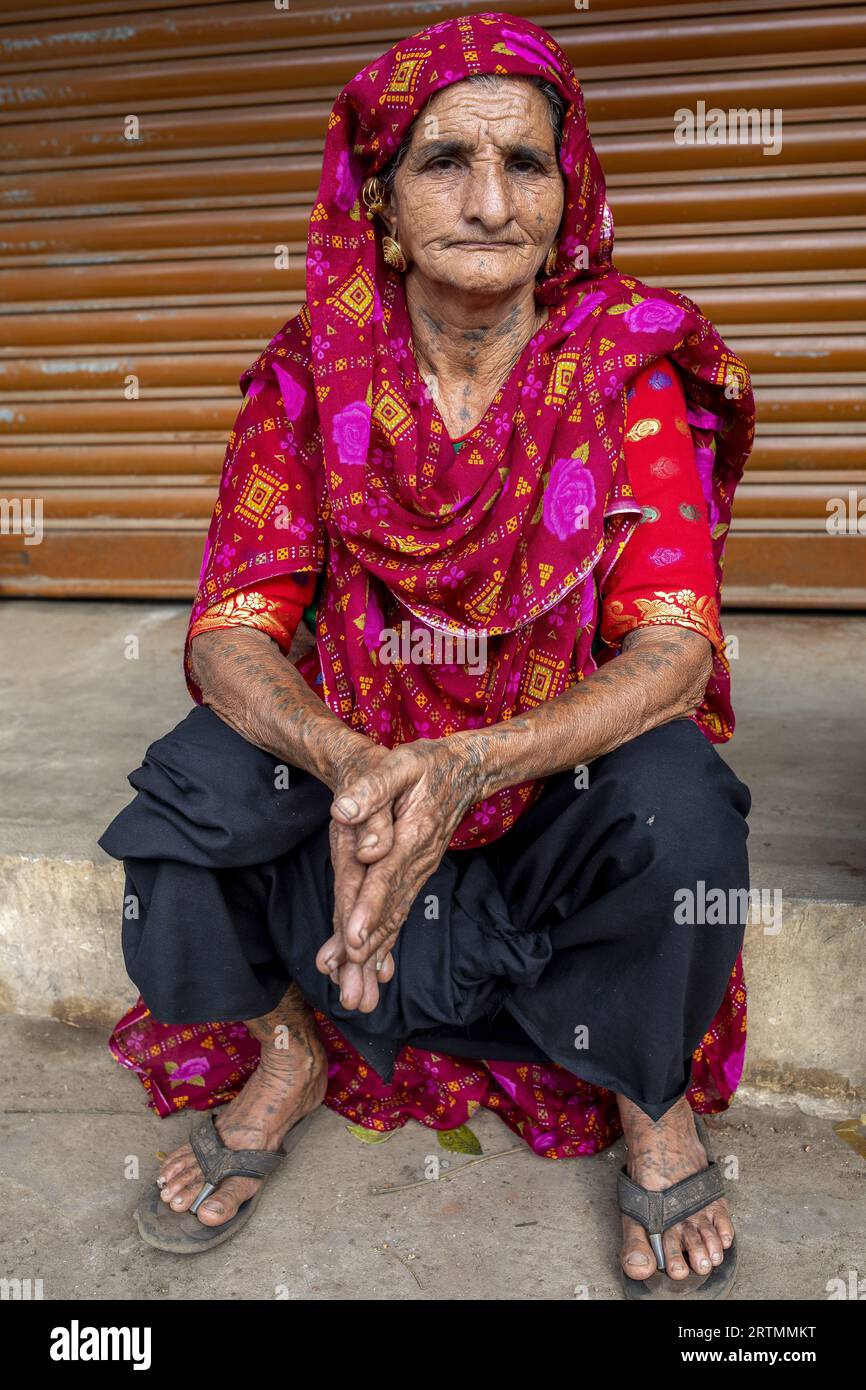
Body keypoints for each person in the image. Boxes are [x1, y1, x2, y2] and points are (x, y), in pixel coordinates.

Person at [100, 12, 754, 1297]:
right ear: (381, 204)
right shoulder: (305, 382)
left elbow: (673, 649)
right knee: (186, 799)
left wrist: (466, 760)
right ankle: (290, 1047)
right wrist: (350, 763)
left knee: (683, 806)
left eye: (526, 165)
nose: (490, 201)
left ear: (569, 198)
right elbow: (232, 628)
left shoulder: (620, 368)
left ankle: (647, 1096)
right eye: (445, 161)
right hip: (354, 803)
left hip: (546, 796)